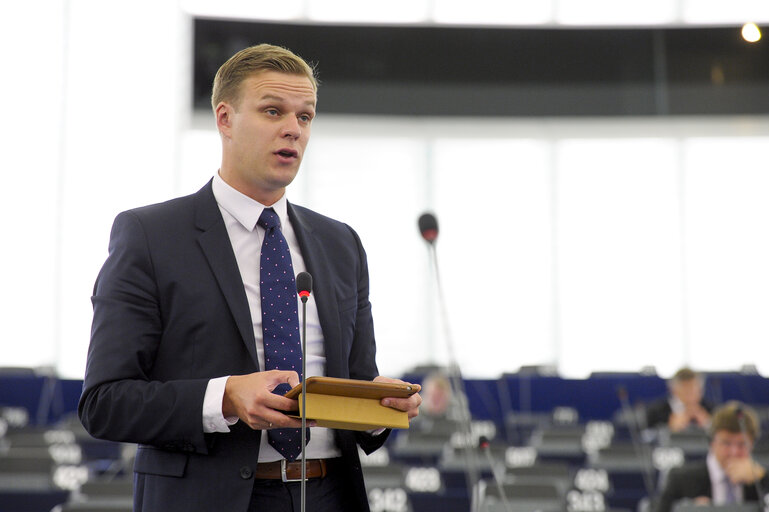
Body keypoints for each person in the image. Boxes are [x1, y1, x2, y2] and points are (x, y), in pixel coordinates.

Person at [78, 43, 421, 512]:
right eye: (273, 111)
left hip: (328, 493)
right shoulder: (151, 236)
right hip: (208, 498)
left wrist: (380, 409)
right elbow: (105, 402)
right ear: (225, 119)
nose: (292, 129)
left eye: (305, 117)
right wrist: (224, 398)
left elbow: (355, 380)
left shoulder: (340, 243)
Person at [655, 401, 768, 512]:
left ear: (752, 444)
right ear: (712, 442)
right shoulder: (681, 480)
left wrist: (762, 478)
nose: (734, 452)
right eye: (726, 443)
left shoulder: (761, 481)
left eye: (742, 444)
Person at [645, 368, 713, 432]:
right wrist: (669, 428)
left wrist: (707, 424)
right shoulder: (656, 411)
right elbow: (647, 436)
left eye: (693, 390)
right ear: (673, 390)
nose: (690, 396)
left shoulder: (711, 410)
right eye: (686, 391)